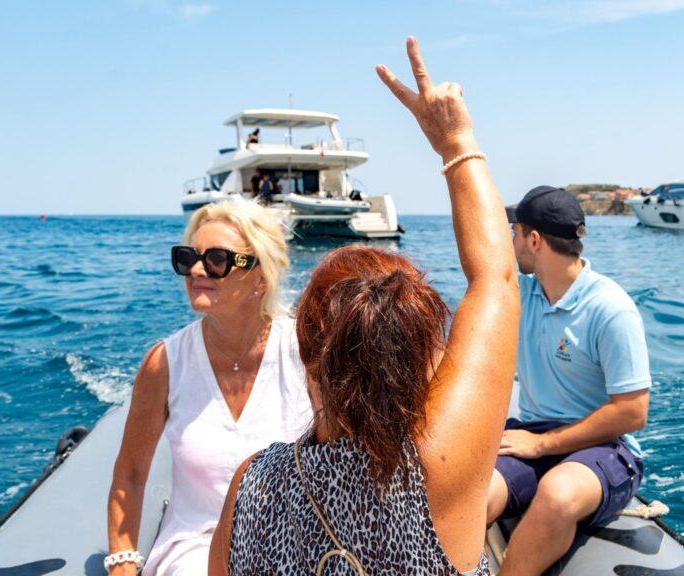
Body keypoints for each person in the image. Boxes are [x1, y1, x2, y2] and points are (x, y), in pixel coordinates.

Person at [208, 37, 518, 576]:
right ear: (426, 354)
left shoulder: (253, 484)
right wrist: (456, 141)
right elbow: (496, 280)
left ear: (306, 354)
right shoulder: (439, 466)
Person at [106, 197, 314, 576]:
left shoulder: (305, 354)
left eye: (217, 259)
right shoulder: (164, 364)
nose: (197, 270)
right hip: (195, 546)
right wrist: (122, 562)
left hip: (293, 542)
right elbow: (131, 473)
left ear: (260, 277)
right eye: (188, 258)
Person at [485, 186, 652, 576]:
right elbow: (480, 252)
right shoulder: (521, 294)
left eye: (515, 232)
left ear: (534, 240)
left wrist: (543, 445)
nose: (509, 242)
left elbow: (632, 412)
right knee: (471, 494)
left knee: (557, 495)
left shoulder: (610, 309)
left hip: (605, 447)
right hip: (532, 434)